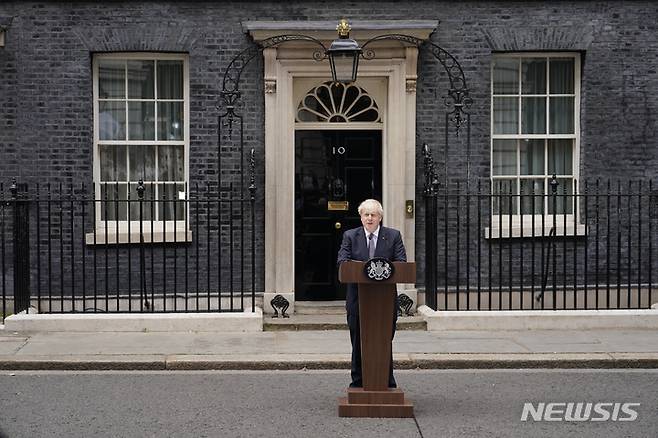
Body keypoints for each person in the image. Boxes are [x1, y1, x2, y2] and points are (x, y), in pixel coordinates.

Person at [336, 199, 407, 388]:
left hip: (384, 303)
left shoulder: (393, 236)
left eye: (373, 215)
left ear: (380, 217)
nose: (369, 218)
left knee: (384, 341)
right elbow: (342, 262)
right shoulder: (350, 236)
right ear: (361, 217)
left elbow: (401, 263)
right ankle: (358, 382)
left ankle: (386, 381)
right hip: (357, 301)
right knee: (358, 342)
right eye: (366, 214)